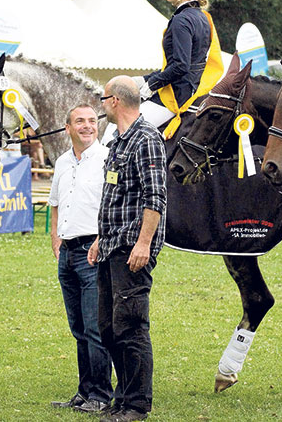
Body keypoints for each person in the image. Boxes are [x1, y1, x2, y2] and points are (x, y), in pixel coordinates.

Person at [88, 76, 167, 422]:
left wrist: (144, 243)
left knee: (131, 325)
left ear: (116, 101)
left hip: (132, 248)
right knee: (108, 326)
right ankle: (121, 398)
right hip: (111, 244)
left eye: (103, 99)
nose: (101, 105)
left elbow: (156, 197)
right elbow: (114, 196)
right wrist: (98, 239)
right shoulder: (119, 141)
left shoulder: (146, 139)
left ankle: (136, 405)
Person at [102, 0, 223, 145]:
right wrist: (144, 79)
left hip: (174, 97)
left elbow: (181, 66)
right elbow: (182, 64)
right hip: (191, 91)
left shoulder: (182, 20)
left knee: (112, 132)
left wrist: (151, 86)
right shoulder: (202, 17)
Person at [48, 104, 113, 413]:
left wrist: (102, 239)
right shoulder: (61, 162)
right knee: (77, 327)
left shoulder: (106, 159)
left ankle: (101, 394)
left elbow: (112, 207)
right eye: (80, 121)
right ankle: (84, 391)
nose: (87, 126)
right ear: (67, 128)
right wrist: (55, 239)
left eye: (91, 121)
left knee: (94, 326)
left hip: (92, 251)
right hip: (67, 252)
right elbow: (56, 203)